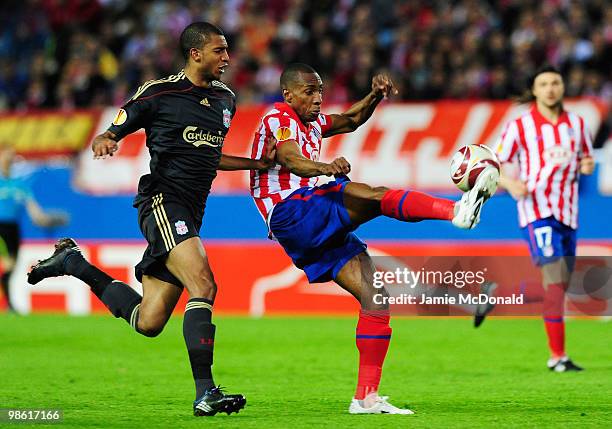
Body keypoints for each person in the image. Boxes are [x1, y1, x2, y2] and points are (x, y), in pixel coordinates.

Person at [28, 22, 274, 416]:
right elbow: (116, 127)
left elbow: (207, 156)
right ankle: (206, 393)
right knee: (204, 283)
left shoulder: (226, 100)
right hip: (163, 200)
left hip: (192, 212)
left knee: (149, 321)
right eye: (219, 50)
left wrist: (255, 163)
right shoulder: (159, 93)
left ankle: (72, 262)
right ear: (195, 53)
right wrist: (107, 138)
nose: (227, 58)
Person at [249, 63, 499, 414]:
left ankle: (365, 398)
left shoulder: (311, 121)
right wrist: (325, 168)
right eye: (309, 91)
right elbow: (291, 159)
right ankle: (454, 211)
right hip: (292, 211)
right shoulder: (280, 115)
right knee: (371, 195)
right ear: (289, 93)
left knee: (375, 297)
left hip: (304, 222)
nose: (318, 98)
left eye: (320, 90)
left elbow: (350, 120)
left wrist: (374, 96)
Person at [494, 65, 594, 372]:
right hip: (537, 211)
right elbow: (491, 164)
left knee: (560, 285)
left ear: (562, 87)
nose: (550, 88)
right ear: (535, 90)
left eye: (555, 82)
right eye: (544, 83)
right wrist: (510, 184)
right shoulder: (520, 126)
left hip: (568, 213)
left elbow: (586, 158)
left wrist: (587, 165)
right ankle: (557, 357)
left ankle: (503, 296)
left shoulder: (577, 124)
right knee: (553, 283)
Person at [0, 146, 68, 312]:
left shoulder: (20, 185)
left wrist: (47, 221)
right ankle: (10, 305)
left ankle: (9, 305)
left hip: (13, 229)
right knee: (7, 265)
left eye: (12, 156)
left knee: (12, 267)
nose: (9, 159)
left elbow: (35, 214)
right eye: (6, 155)